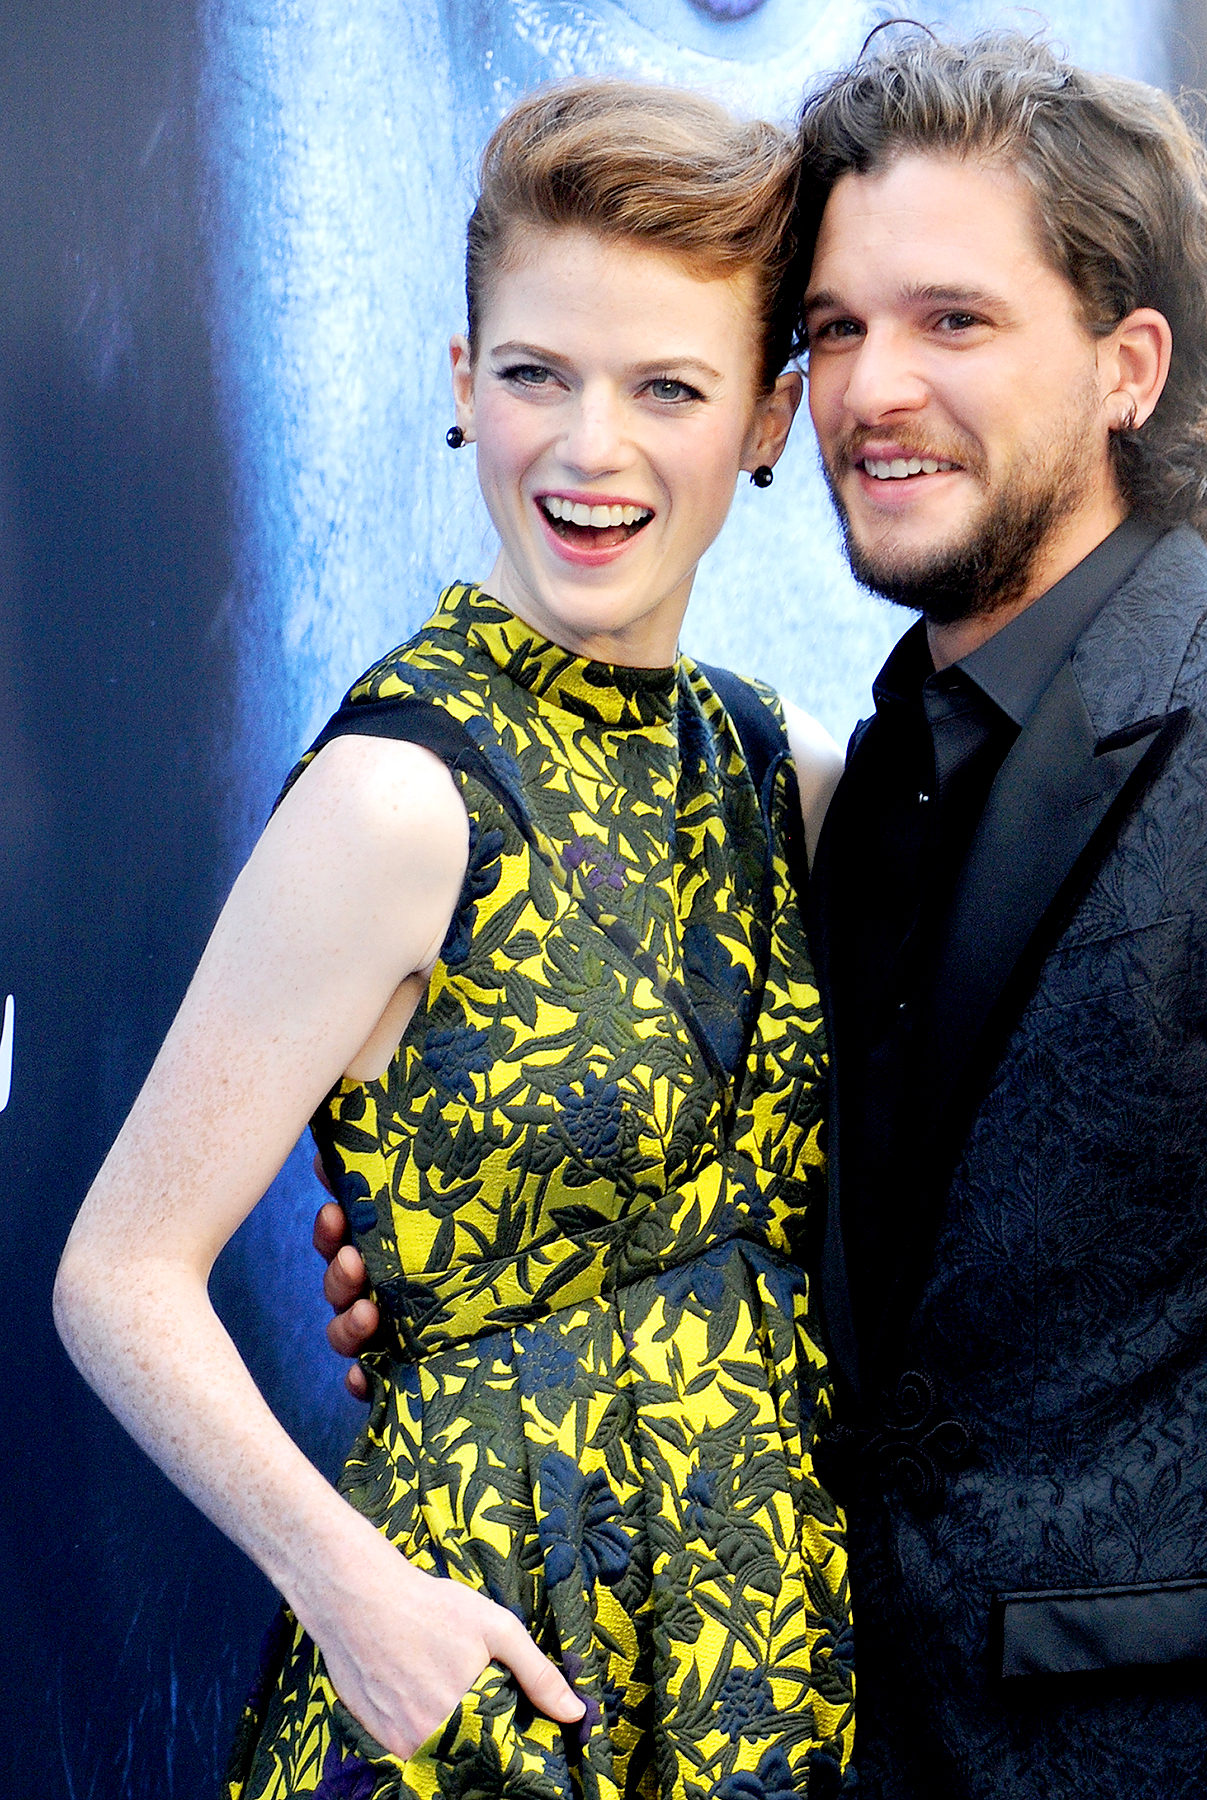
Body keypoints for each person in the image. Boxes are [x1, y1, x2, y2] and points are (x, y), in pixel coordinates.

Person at [320, 29, 1207, 1799]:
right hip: (819, 1737)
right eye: (831, 329)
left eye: (952, 322)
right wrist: (482, 1257)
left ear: (1130, 365)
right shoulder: (849, 775)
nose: (871, 388)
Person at [54, 80, 855, 1800]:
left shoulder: (776, 771)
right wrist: (350, 1593)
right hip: (485, 1676)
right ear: (459, 385)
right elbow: (116, 1279)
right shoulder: (399, 799)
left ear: (769, 421)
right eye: (535, 375)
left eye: (668, 389)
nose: (591, 449)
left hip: (763, 1670)